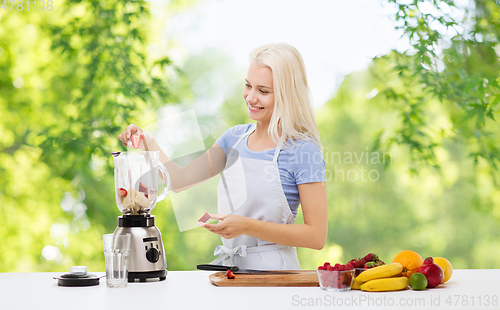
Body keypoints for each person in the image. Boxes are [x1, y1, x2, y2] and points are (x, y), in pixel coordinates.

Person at [118, 42, 328, 270]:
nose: (250, 97)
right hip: (231, 271)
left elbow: (316, 236)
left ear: (288, 94)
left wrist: (246, 226)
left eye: (263, 91)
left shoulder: (303, 150)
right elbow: (178, 181)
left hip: (276, 274)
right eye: (248, 86)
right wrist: (147, 139)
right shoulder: (233, 139)